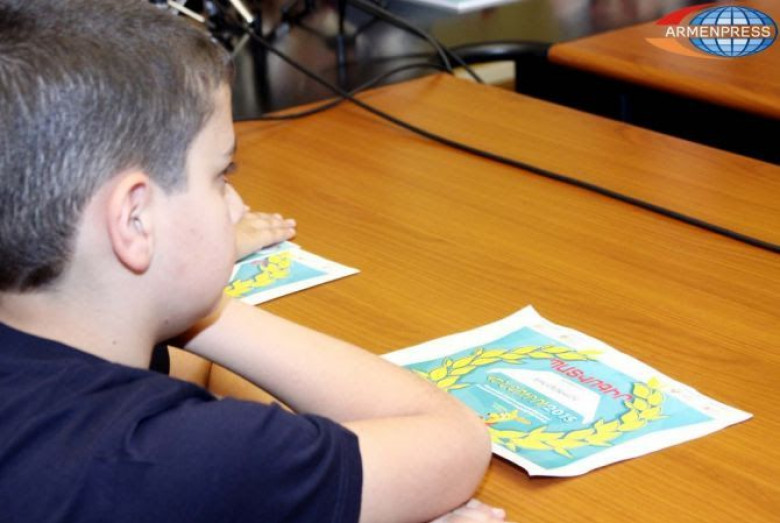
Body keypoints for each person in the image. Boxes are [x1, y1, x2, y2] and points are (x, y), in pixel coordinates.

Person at [0, 1, 511, 521]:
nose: (237, 207)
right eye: (221, 175)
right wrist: (206, 303)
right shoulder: (172, 456)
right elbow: (456, 443)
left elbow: (195, 373)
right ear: (135, 220)